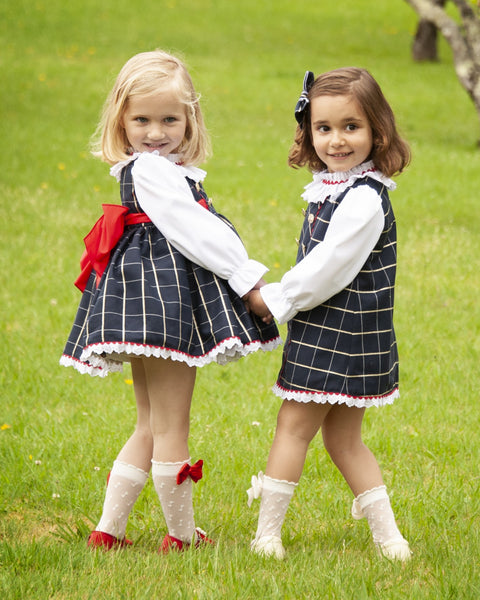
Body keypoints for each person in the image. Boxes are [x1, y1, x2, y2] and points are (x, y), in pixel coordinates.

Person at [60, 49, 280, 553]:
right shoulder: (154, 171)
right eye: (142, 120)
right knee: (171, 426)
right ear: (121, 119)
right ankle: (181, 536)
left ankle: (107, 531)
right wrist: (246, 278)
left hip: (141, 306)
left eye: (169, 120)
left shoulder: (149, 169)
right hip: (164, 308)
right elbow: (195, 231)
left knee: (150, 423)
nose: (155, 132)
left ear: (189, 119)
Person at [245, 67, 412, 561]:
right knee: (343, 440)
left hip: (332, 334)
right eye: (324, 128)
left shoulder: (363, 199)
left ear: (378, 131)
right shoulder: (337, 189)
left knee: (293, 428)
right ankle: (390, 541)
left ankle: (267, 537)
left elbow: (326, 269)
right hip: (358, 337)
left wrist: (274, 299)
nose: (336, 140)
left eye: (350, 127)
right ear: (309, 131)